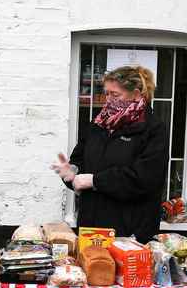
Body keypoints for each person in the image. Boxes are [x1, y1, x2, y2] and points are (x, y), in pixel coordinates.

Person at [51, 65, 168, 243]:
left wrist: (95, 181)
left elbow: (144, 179)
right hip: (92, 228)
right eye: (106, 93)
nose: (108, 99)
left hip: (131, 231)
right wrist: (71, 173)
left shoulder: (153, 128)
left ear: (136, 94)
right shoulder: (99, 123)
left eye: (115, 95)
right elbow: (79, 161)